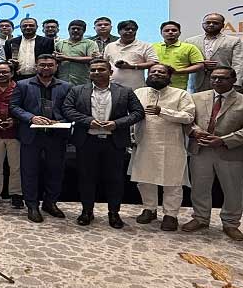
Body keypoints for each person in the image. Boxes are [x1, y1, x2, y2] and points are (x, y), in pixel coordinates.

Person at [61, 58, 144, 228]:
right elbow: (67, 109)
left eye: (101, 69)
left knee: (114, 180)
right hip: (87, 141)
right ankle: (87, 211)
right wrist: (87, 121)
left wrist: (117, 124)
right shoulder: (77, 90)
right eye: (93, 70)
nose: (96, 72)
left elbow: (138, 112)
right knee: (86, 178)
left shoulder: (125, 91)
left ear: (110, 72)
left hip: (114, 142)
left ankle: (114, 213)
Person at [184, 66, 243, 240]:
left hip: (231, 152)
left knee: (232, 190)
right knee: (199, 187)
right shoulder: (195, 97)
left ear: (233, 80)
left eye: (223, 78)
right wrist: (195, 131)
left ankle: (231, 223)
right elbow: (187, 120)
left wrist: (223, 140)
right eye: (214, 77)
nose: (217, 81)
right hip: (201, 149)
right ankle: (200, 218)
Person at [130, 64, 196, 231]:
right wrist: (131, 136)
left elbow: (188, 117)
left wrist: (162, 111)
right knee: (145, 179)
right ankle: (149, 209)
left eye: (161, 72)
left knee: (173, 181)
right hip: (144, 142)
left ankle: (171, 215)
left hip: (171, 144)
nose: (157, 74)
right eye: (153, 71)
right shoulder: (139, 92)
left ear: (169, 76)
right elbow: (131, 116)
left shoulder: (181, 94)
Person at [11, 54, 72, 223]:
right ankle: (32, 205)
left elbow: (71, 109)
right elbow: (14, 107)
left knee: (55, 171)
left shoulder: (66, 86)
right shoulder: (22, 84)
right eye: (42, 65)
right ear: (36, 66)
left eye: (50, 65)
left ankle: (50, 203)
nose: (46, 68)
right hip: (31, 136)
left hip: (56, 135)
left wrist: (60, 121)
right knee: (29, 172)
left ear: (56, 67)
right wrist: (31, 117)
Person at [0, 62, 23, 209]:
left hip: (15, 133)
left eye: (4, 72)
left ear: (12, 73)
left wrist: (15, 121)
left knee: (16, 166)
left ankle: (16, 194)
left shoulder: (20, 88)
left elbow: (25, 108)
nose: (1, 75)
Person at [186, 13, 243, 93]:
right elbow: (185, 62)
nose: (211, 25)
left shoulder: (233, 41)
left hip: (223, 81)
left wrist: (236, 84)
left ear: (223, 25)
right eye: (208, 22)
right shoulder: (190, 41)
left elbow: (238, 64)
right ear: (202, 24)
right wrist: (201, 64)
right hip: (197, 81)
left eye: (215, 23)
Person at [104, 20, 159, 90]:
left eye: (133, 29)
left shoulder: (145, 46)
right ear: (119, 31)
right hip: (113, 87)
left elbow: (154, 63)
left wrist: (132, 66)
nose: (130, 31)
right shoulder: (110, 46)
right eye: (127, 29)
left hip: (136, 88)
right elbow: (105, 64)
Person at [153, 21, 204, 90]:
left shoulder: (190, 47)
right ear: (161, 33)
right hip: (155, 84)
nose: (170, 32)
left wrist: (178, 71)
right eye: (167, 30)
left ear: (179, 33)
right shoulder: (152, 47)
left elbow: (200, 65)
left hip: (178, 86)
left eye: (174, 30)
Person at [54, 20, 101, 86]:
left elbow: (92, 59)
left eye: (78, 29)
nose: (75, 31)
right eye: (73, 29)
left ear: (84, 31)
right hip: (62, 81)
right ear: (68, 30)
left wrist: (66, 58)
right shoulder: (59, 44)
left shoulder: (90, 43)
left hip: (82, 81)